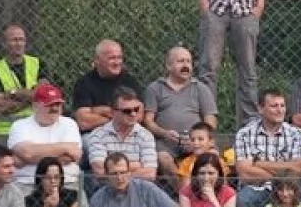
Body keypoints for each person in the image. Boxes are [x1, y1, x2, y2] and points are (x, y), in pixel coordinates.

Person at [233, 89, 301, 207]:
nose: (280, 110)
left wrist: (260, 164)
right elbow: (244, 173)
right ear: (261, 109)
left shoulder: (296, 134)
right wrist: (284, 170)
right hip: (256, 188)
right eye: (274, 106)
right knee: (242, 201)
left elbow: (297, 171)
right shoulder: (245, 134)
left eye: (282, 105)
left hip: (290, 189)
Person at [143, 46, 217, 177]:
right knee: (163, 159)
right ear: (168, 66)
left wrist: (197, 140)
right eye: (180, 61)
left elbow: (210, 121)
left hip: (196, 141)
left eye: (188, 61)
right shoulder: (155, 88)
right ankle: (184, 193)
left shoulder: (200, 88)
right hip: (166, 143)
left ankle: (210, 195)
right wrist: (164, 133)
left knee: (213, 156)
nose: (186, 65)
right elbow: (148, 121)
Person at [8, 83, 83, 191]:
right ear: (35, 106)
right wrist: (65, 148)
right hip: (28, 185)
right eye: (49, 104)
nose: (55, 108)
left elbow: (73, 155)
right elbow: (27, 153)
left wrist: (30, 158)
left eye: (58, 104)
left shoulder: (69, 123)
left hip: (66, 183)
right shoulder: (20, 125)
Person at [0, 23, 50, 137]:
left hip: (36, 125)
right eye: (14, 40)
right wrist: (32, 97)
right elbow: (0, 106)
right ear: (4, 44)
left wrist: (14, 93)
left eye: (21, 40)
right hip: (7, 130)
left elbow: (44, 96)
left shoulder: (39, 64)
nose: (19, 44)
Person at [72, 40, 143, 135]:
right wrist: (121, 116)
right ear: (97, 60)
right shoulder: (84, 84)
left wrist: (100, 110)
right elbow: (84, 122)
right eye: (112, 58)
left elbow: (139, 116)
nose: (117, 62)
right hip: (95, 134)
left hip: (127, 133)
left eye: (119, 57)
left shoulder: (130, 81)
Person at [87, 87, 157, 181]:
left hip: (139, 189)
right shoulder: (98, 135)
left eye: (136, 109)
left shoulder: (146, 136)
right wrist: (136, 165)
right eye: (127, 111)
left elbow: (150, 174)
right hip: (107, 189)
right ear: (112, 112)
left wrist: (114, 171)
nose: (133, 114)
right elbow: (100, 171)